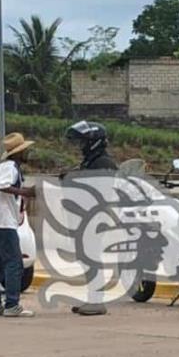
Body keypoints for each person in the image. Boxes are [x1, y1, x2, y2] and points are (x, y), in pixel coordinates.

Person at [64, 120, 117, 316]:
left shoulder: (103, 163)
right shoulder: (91, 161)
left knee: (92, 257)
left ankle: (97, 301)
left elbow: (98, 190)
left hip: (95, 218)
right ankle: (92, 298)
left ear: (93, 142)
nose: (80, 146)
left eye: (83, 142)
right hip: (86, 217)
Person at [0, 132, 36, 318]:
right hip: (4, 223)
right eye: (24, 150)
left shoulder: (5, 166)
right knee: (14, 263)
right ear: (17, 153)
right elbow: (1, 186)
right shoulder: (10, 167)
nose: (27, 153)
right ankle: (12, 304)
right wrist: (25, 192)